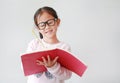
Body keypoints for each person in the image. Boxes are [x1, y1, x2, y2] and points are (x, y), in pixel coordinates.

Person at [26, 6, 72, 83]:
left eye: (50, 22)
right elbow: (25, 68)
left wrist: (53, 67)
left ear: (58, 22)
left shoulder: (64, 47)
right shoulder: (34, 44)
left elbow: (67, 75)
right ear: (38, 28)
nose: (47, 27)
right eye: (42, 25)